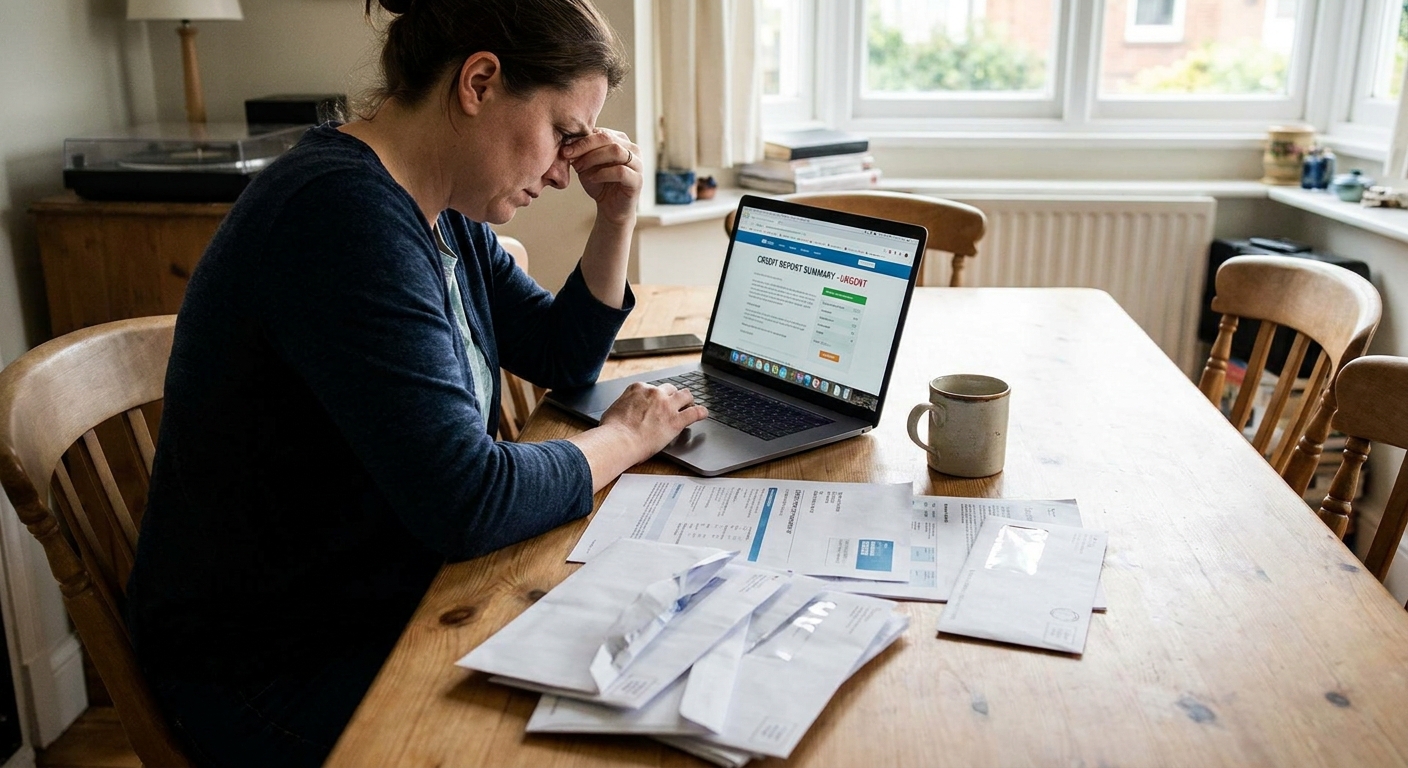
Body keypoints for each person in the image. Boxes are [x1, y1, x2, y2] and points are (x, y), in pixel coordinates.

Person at [124, 1, 707, 765]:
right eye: (564, 133)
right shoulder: (339, 216)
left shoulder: (438, 209)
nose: (567, 169)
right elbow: (467, 500)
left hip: (383, 596)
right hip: (270, 668)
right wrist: (625, 438)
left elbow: (562, 357)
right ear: (480, 81)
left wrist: (618, 215)